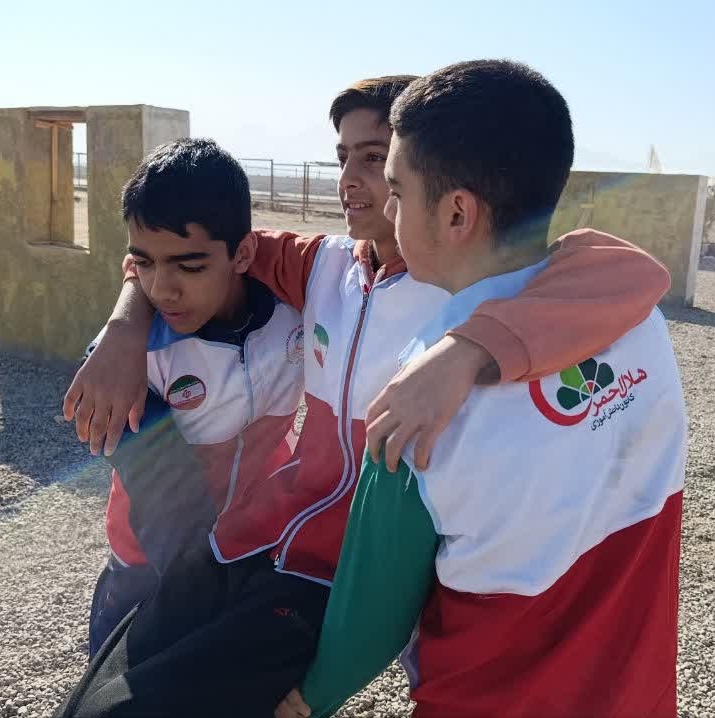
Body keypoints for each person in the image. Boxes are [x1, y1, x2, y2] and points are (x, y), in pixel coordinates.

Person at [56, 73, 671, 718]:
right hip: (253, 540)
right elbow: (184, 244)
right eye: (342, 157)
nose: (351, 180)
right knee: (106, 688)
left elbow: (627, 271)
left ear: (448, 200)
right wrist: (125, 327)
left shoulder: (459, 287)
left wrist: (466, 348)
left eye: (378, 162)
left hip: (337, 571)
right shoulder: (325, 264)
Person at [277, 59, 687, 718]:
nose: (388, 208)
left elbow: (371, 622)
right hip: (637, 697)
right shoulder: (635, 319)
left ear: (457, 213)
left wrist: (306, 700)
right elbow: (623, 265)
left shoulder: (418, 405)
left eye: (397, 189)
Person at [82, 138, 304, 655]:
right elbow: (164, 502)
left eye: (189, 266)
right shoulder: (128, 360)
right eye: (146, 264)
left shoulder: (297, 314)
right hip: (150, 569)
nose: (163, 289)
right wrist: (122, 327)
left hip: (259, 549)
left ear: (243, 253)